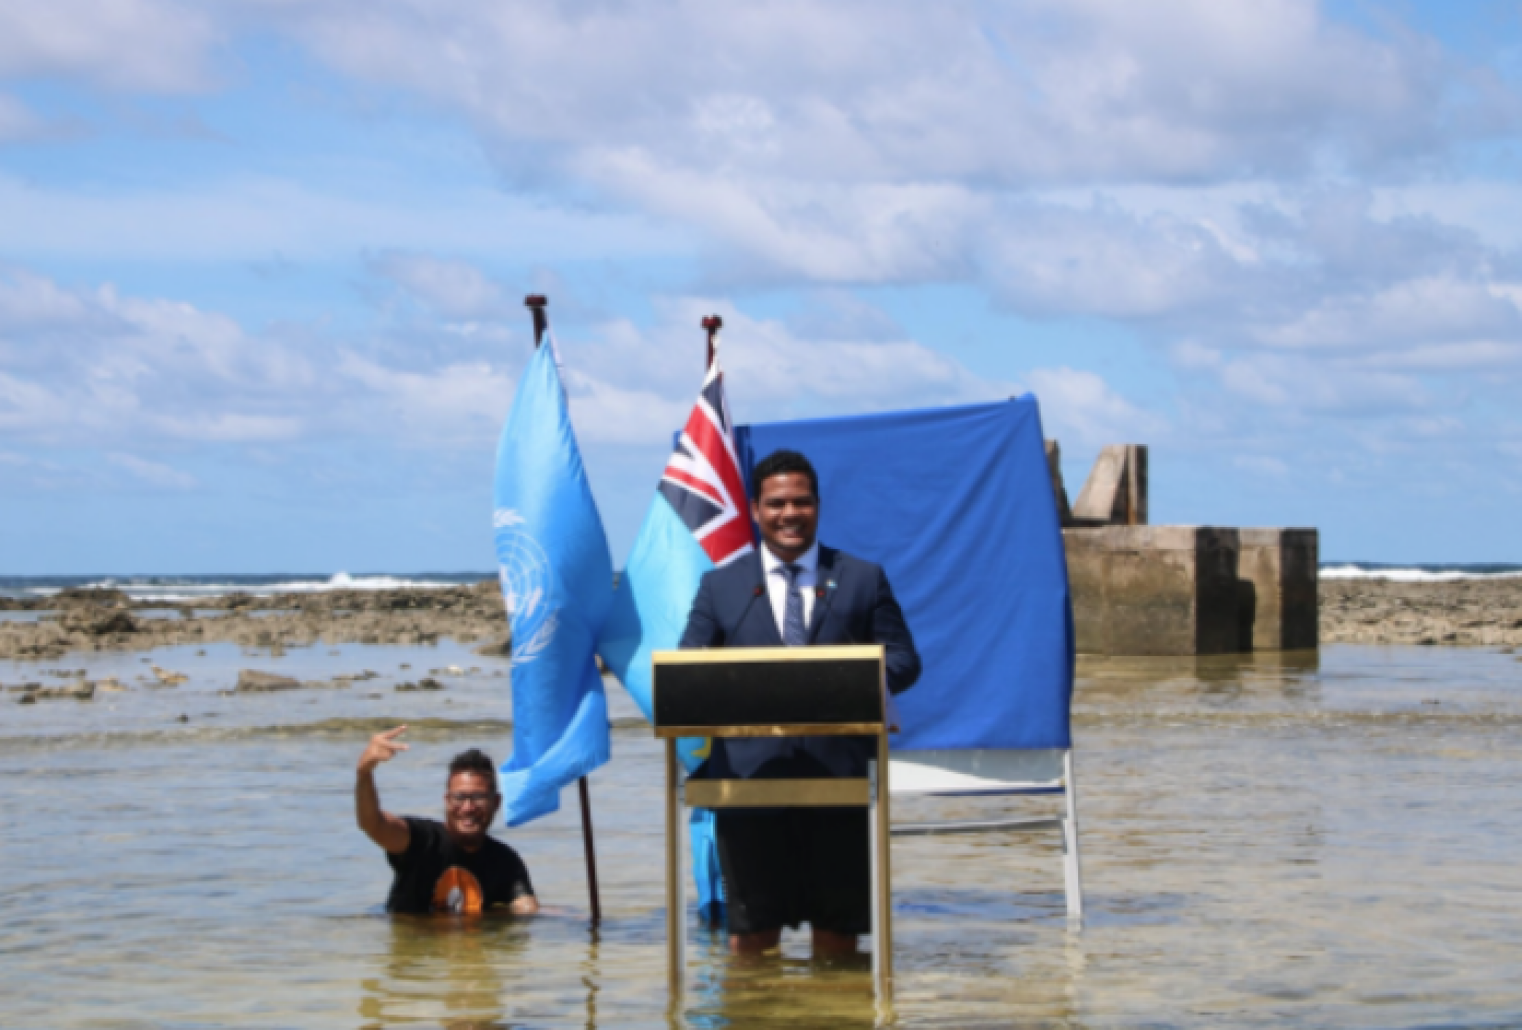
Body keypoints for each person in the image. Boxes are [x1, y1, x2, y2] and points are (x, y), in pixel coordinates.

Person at [679, 449, 921, 957]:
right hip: (746, 785)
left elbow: (903, 659)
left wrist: (845, 684)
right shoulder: (721, 585)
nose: (790, 513)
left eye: (802, 502)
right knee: (750, 940)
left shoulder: (860, 578)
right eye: (777, 504)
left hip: (838, 781)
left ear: (818, 506)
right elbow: (688, 665)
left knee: (837, 940)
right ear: (755, 510)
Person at [356, 725, 539, 916]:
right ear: (447, 800)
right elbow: (372, 824)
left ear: (496, 802)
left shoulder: (505, 862)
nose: (468, 808)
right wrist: (364, 772)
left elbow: (527, 912)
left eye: (478, 797)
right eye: (459, 797)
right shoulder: (421, 841)